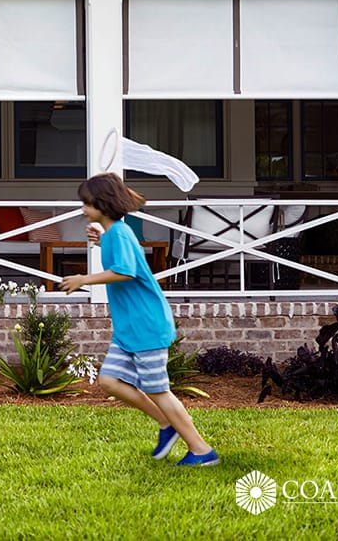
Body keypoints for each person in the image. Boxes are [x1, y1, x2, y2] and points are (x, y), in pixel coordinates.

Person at [60, 172, 219, 467]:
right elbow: (122, 256)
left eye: (87, 203)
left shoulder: (120, 233)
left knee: (158, 390)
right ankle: (165, 423)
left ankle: (201, 450)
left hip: (145, 324)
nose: (83, 209)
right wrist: (101, 241)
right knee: (109, 380)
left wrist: (84, 278)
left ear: (102, 205)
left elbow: (126, 271)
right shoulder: (115, 233)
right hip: (129, 327)